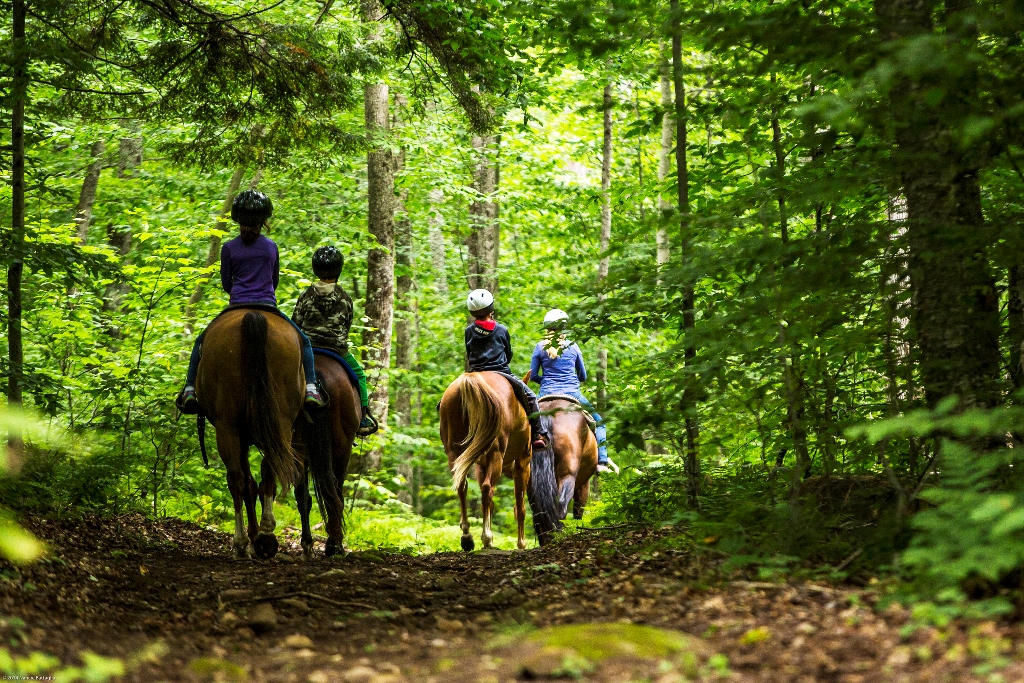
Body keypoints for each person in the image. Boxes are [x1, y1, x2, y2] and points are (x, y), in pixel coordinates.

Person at [177, 190, 326, 414]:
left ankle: (189, 389)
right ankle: (312, 388)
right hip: (267, 304)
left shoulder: (228, 249)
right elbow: (274, 281)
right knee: (303, 342)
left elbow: (227, 283)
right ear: (264, 221)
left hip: (237, 305)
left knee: (200, 342)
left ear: (237, 219)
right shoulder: (270, 247)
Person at [292, 246, 378, 436]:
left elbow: (295, 324)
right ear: (339, 270)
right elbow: (346, 326)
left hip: (309, 349)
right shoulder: (345, 298)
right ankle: (363, 416)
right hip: (337, 350)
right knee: (360, 376)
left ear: (315, 270)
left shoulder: (306, 296)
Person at [528, 308, 618, 474]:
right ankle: (603, 462)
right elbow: (582, 375)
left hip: (545, 394)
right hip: (572, 393)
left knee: (526, 424)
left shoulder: (540, 347)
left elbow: (533, 376)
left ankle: (517, 460)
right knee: (599, 422)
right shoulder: (573, 346)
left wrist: (546, 382)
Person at [464, 289, 549, 450]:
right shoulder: (501, 330)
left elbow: (469, 354)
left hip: (475, 373)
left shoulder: (469, 331)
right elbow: (508, 353)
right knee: (530, 396)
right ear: (491, 308)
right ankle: (539, 433)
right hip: (500, 371)